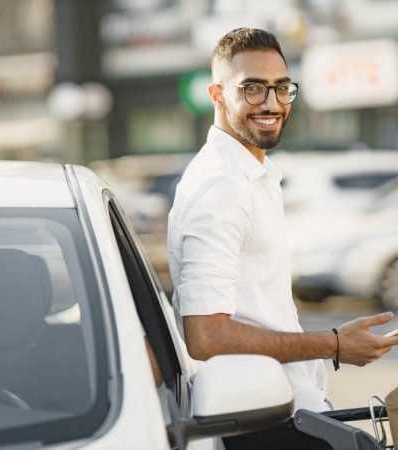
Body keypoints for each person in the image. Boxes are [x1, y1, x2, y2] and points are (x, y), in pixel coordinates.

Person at [167, 27, 398, 416]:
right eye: (253, 88)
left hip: (287, 406)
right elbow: (205, 336)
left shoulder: (254, 173)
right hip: (261, 418)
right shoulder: (221, 186)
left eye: (281, 87)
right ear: (218, 95)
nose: (271, 103)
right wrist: (334, 344)